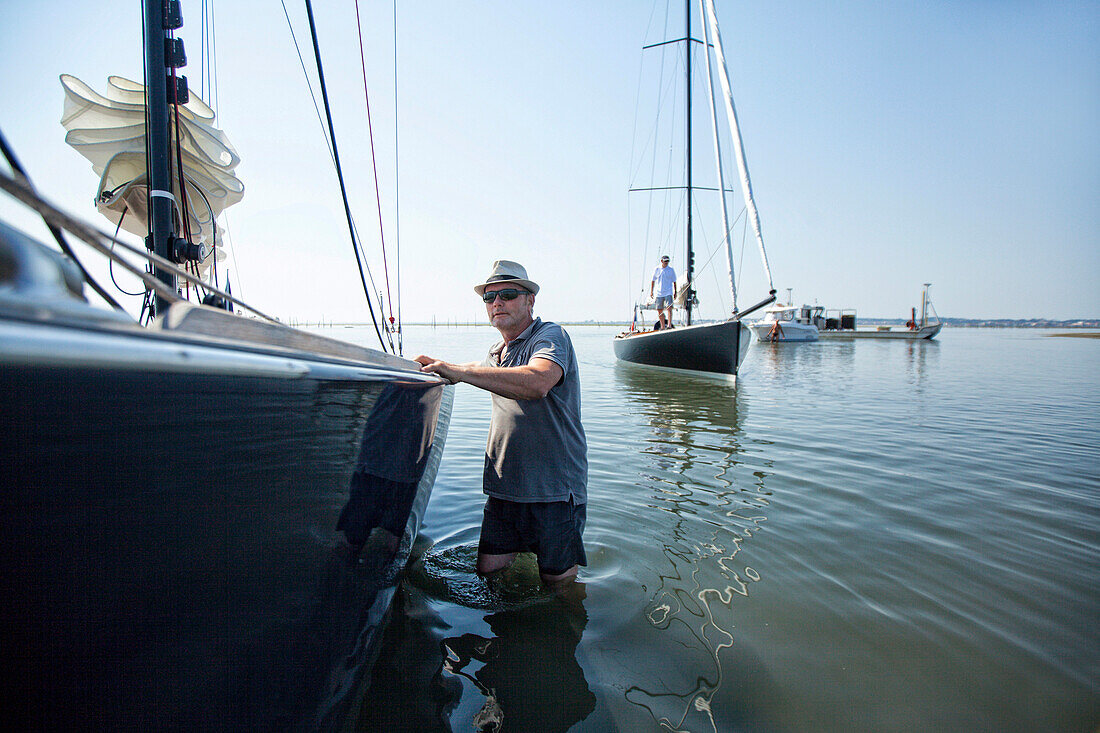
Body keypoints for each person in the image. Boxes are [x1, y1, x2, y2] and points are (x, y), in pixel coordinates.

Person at [415, 260, 588, 589]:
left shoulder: (551, 336)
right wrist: (434, 366)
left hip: (553, 492)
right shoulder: (497, 352)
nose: (497, 303)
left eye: (508, 294)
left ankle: (572, 637)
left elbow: (537, 381)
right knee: (488, 574)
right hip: (505, 491)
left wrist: (460, 373)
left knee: (559, 586)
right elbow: (472, 368)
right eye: (489, 297)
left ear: (530, 301)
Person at [650, 254, 676, 330]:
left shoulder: (671, 270)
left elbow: (674, 281)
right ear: (661, 261)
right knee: (659, 309)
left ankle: (669, 325)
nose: (666, 263)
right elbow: (653, 280)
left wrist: (675, 292)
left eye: (667, 261)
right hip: (659, 292)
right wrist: (651, 292)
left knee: (669, 308)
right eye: (665, 261)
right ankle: (662, 326)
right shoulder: (657, 269)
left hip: (668, 291)